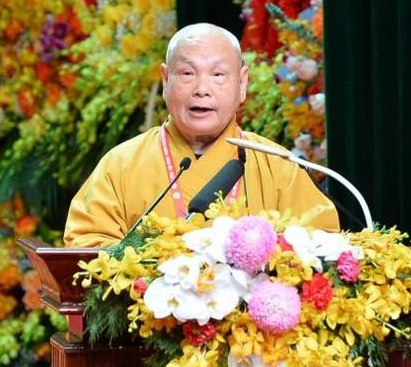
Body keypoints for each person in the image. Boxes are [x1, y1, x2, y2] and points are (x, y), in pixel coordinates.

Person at [64, 23, 339, 247]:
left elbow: (322, 244)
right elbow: (85, 245)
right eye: (187, 73)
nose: (202, 89)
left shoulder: (279, 166)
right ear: (165, 80)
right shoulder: (121, 165)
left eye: (218, 74)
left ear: (242, 84)